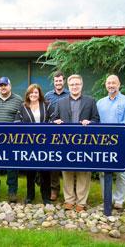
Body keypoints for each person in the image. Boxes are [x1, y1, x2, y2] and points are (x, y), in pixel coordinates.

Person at [53, 74, 99, 212]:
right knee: (67, 171)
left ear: (81, 85)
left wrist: (90, 123)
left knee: (83, 172)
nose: (74, 87)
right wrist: (56, 122)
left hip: (84, 143)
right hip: (66, 143)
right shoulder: (60, 102)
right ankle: (69, 200)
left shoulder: (90, 101)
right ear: (68, 86)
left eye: (77, 84)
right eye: (72, 84)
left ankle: (81, 201)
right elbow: (54, 118)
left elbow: (96, 119)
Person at [96, 75, 125, 209]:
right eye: (108, 83)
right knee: (102, 171)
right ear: (105, 85)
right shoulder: (100, 103)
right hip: (103, 142)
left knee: (121, 172)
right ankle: (107, 198)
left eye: (114, 83)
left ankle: (119, 199)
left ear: (119, 84)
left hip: (120, 142)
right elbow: (97, 122)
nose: (111, 85)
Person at [14, 84, 55, 205]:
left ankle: (46, 197)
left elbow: (52, 120)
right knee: (30, 171)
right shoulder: (23, 107)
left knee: (45, 171)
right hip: (29, 144)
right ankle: (30, 196)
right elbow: (17, 122)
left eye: (36, 92)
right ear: (27, 94)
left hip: (45, 143)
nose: (33, 95)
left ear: (39, 94)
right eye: (31, 93)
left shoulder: (47, 105)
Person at [44, 71, 70, 201]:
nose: (58, 83)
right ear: (54, 82)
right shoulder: (48, 96)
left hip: (68, 132)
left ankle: (70, 190)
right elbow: (45, 113)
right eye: (56, 81)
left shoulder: (70, 94)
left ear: (63, 81)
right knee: (53, 161)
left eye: (60, 81)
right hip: (52, 132)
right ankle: (54, 189)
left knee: (68, 161)